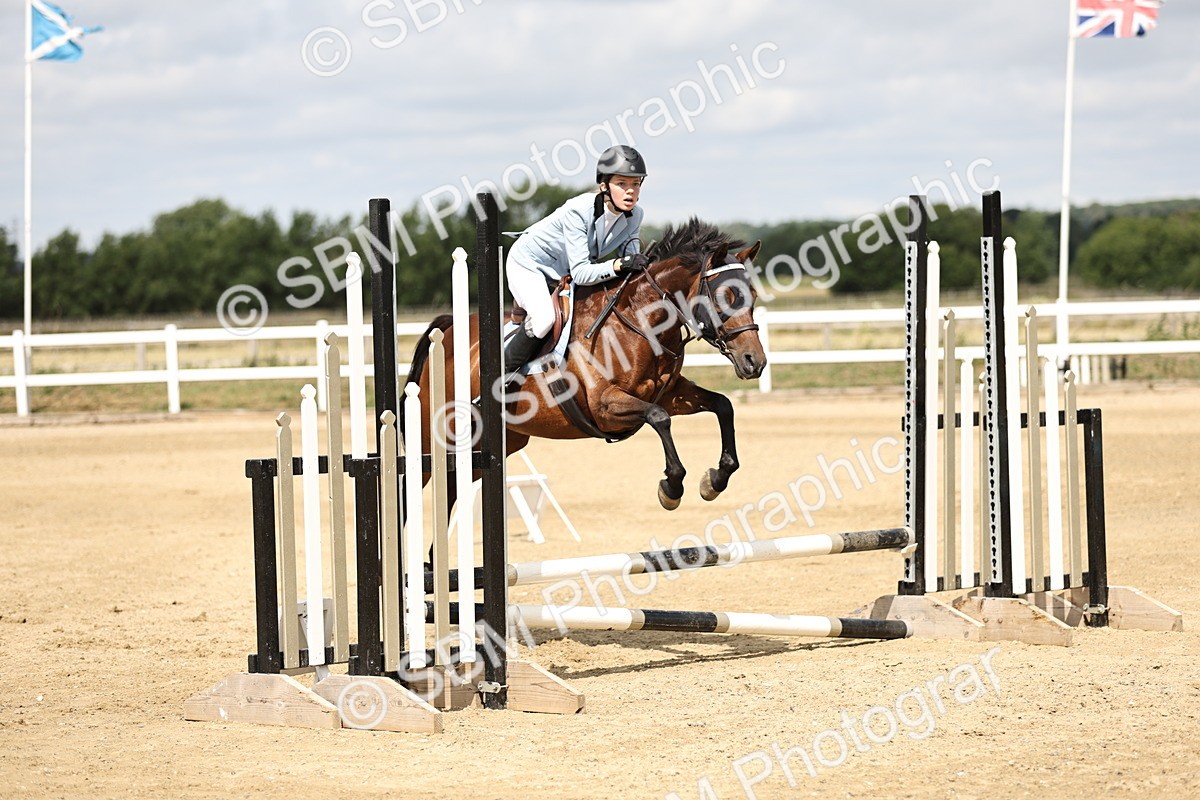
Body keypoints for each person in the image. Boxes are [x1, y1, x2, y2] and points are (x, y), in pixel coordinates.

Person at [501, 144, 652, 386]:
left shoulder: (635, 215)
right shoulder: (579, 210)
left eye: (635, 184)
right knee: (544, 319)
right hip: (528, 263)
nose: (630, 192)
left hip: (562, 272)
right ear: (604, 185)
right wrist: (619, 264)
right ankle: (498, 375)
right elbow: (582, 272)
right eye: (622, 184)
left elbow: (629, 263)